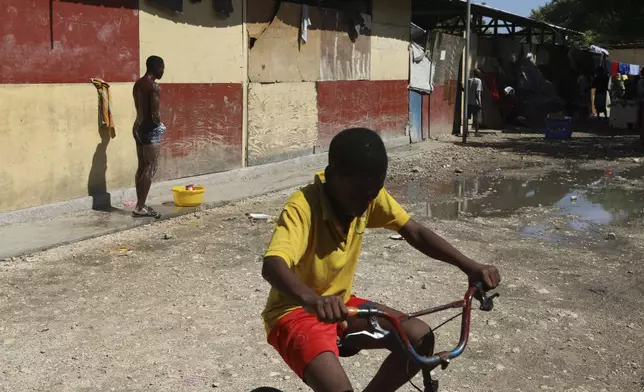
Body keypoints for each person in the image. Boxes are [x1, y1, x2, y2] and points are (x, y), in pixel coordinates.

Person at [260, 128, 502, 392]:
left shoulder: (366, 195)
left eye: (371, 195)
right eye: (357, 196)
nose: (364, 206)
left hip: (343, 307)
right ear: (331, 177)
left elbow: (414, 231)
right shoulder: (302, 207)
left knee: (419, 339)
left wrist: (470, 266)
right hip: (295, 313)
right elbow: (272, 264)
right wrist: (313, 300)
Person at [132, 55, 166, 218]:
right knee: (150, 166)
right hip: (149, 129)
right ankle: (140, 206)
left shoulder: (138, 84)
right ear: (156, 67)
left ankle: (140, 204)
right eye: (162, 68)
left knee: (141, 166)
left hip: (138, 127)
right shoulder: (154, 86)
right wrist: (160, 125)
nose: (163, 71)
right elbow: (154, 114)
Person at [467, 71, 483, 136]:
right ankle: (476, 132)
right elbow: (478, 93)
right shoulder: (479, 81)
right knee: (476, 118)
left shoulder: (469, 80)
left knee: (467, 117)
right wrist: (480, 103)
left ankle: (466, 132)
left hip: (468, 102)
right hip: (475, 103)